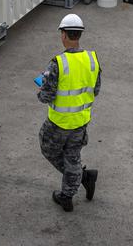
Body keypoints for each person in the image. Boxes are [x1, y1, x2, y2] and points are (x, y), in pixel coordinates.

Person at [37, 14, 100, 212]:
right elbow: (95, 90)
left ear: (63, 35)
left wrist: (41, 91)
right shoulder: (92, 59)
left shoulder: (58, 63)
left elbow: (45, 96)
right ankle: (68, 194)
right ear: (79, 35)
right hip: (81, 121)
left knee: (48, 148)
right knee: (72, 156)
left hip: (59, 122)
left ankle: (79, 179)